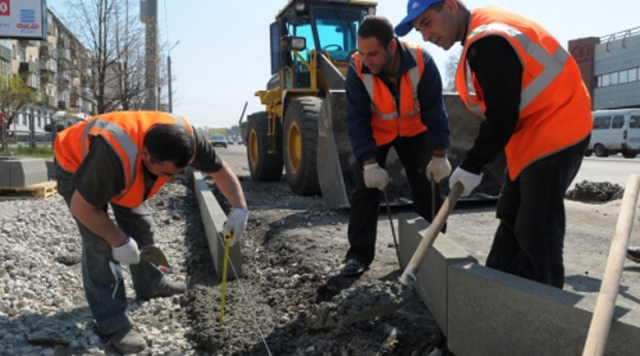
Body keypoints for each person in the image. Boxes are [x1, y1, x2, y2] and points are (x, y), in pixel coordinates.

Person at [395, 0, 592, 288]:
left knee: (536, 226)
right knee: (511, 212)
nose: (425, 36)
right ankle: (495, 292)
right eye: (418, 30)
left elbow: (502, 115)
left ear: (450, 7)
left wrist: (472, 165)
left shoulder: (488, 41)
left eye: (426, 22)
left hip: (558, 126)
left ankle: (547, 312)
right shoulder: (481, 35)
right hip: (533, 134)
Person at [54, 111, 248, 353]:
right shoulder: (114, 155)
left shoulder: (187, 139)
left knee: (141, 224)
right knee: (100, 244)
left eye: (179, 173)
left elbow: (220, 170)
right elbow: (83, 208)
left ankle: (152, 284)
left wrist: (240, 208)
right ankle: (113, 323)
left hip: (122, 166)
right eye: (167, 174)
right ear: (145, 154)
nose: (171, 179)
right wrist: (119, 240)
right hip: (77, 162)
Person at [342, 16, 451, 276]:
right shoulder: (357, 66)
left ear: (391, 47)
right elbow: (356, 117)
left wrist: (439, 154)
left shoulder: (421, 61)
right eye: (362, 52)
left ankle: (433, 248)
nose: (367, 60)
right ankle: (358, 255)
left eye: (374, 54)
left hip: (415, 132)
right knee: (364, 191)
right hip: (377, 133)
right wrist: (369, 163)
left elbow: (435, 110)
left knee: (429, 186)